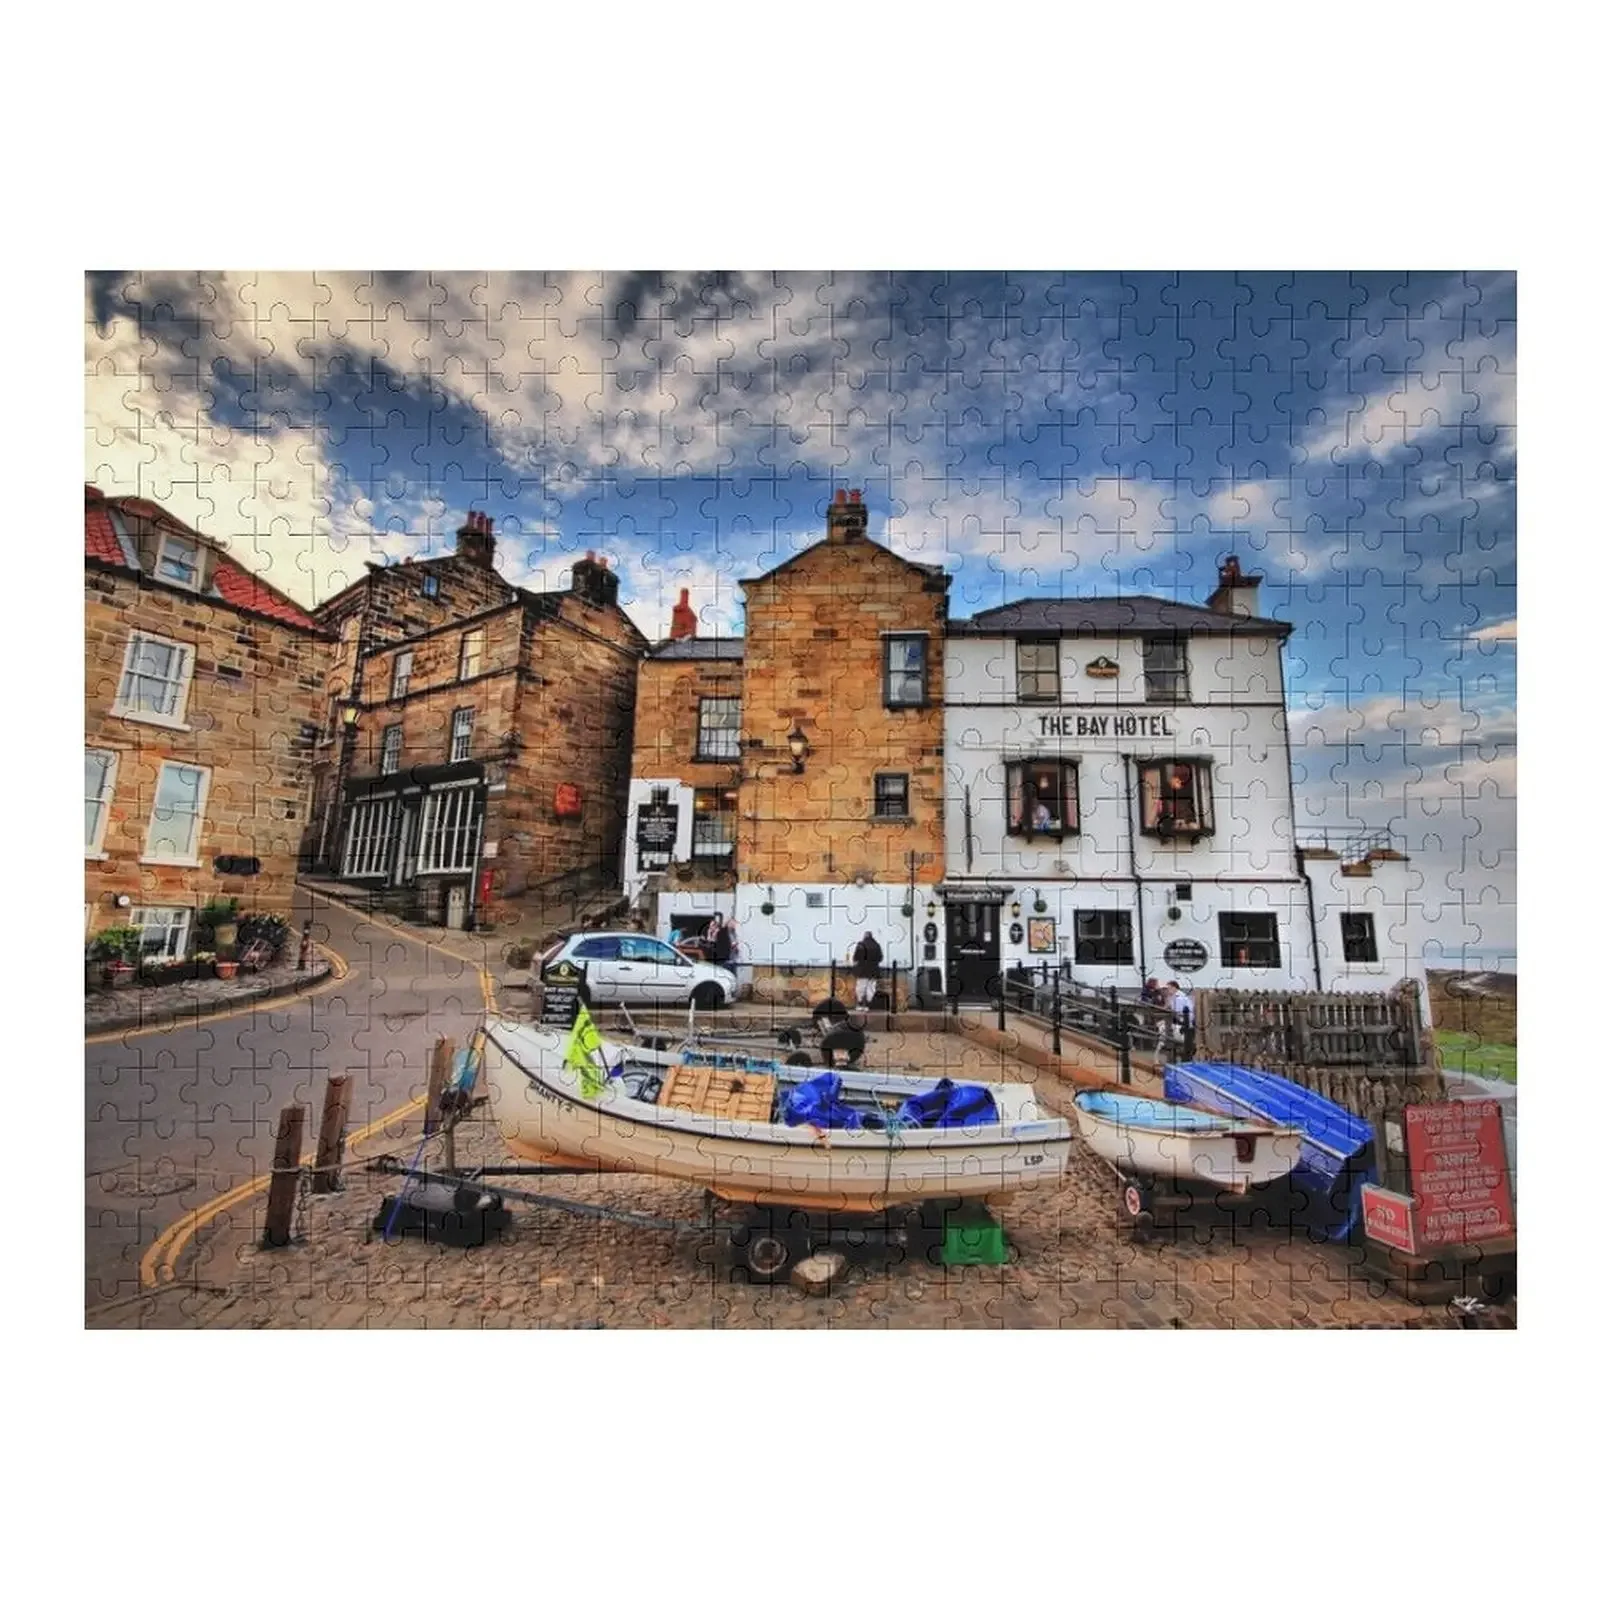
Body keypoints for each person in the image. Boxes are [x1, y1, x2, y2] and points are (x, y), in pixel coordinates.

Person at [852, 930, 884, 1011]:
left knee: (861, 987)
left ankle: (860, 1003)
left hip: (862, 970)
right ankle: (868, 1005)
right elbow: (880, 958)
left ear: (865, 936)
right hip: (873, 970)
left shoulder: (861, 944)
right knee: (871, 987)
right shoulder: (877, 945)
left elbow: (855, 957)